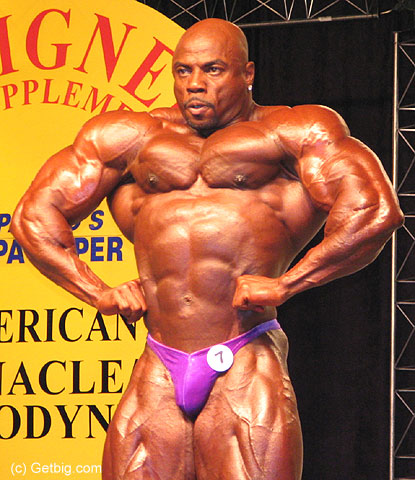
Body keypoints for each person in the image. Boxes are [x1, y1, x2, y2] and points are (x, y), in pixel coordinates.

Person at [11, 17, 403, 480]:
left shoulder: (294, 131)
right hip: (158, 362)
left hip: (245, 355)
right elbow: (33, 217)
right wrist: (97, 291)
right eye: (183, 71)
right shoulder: (128, 137)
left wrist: (288, 284)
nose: (194, 84)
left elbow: (373, 212)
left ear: (247, 73)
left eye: (212, 70)